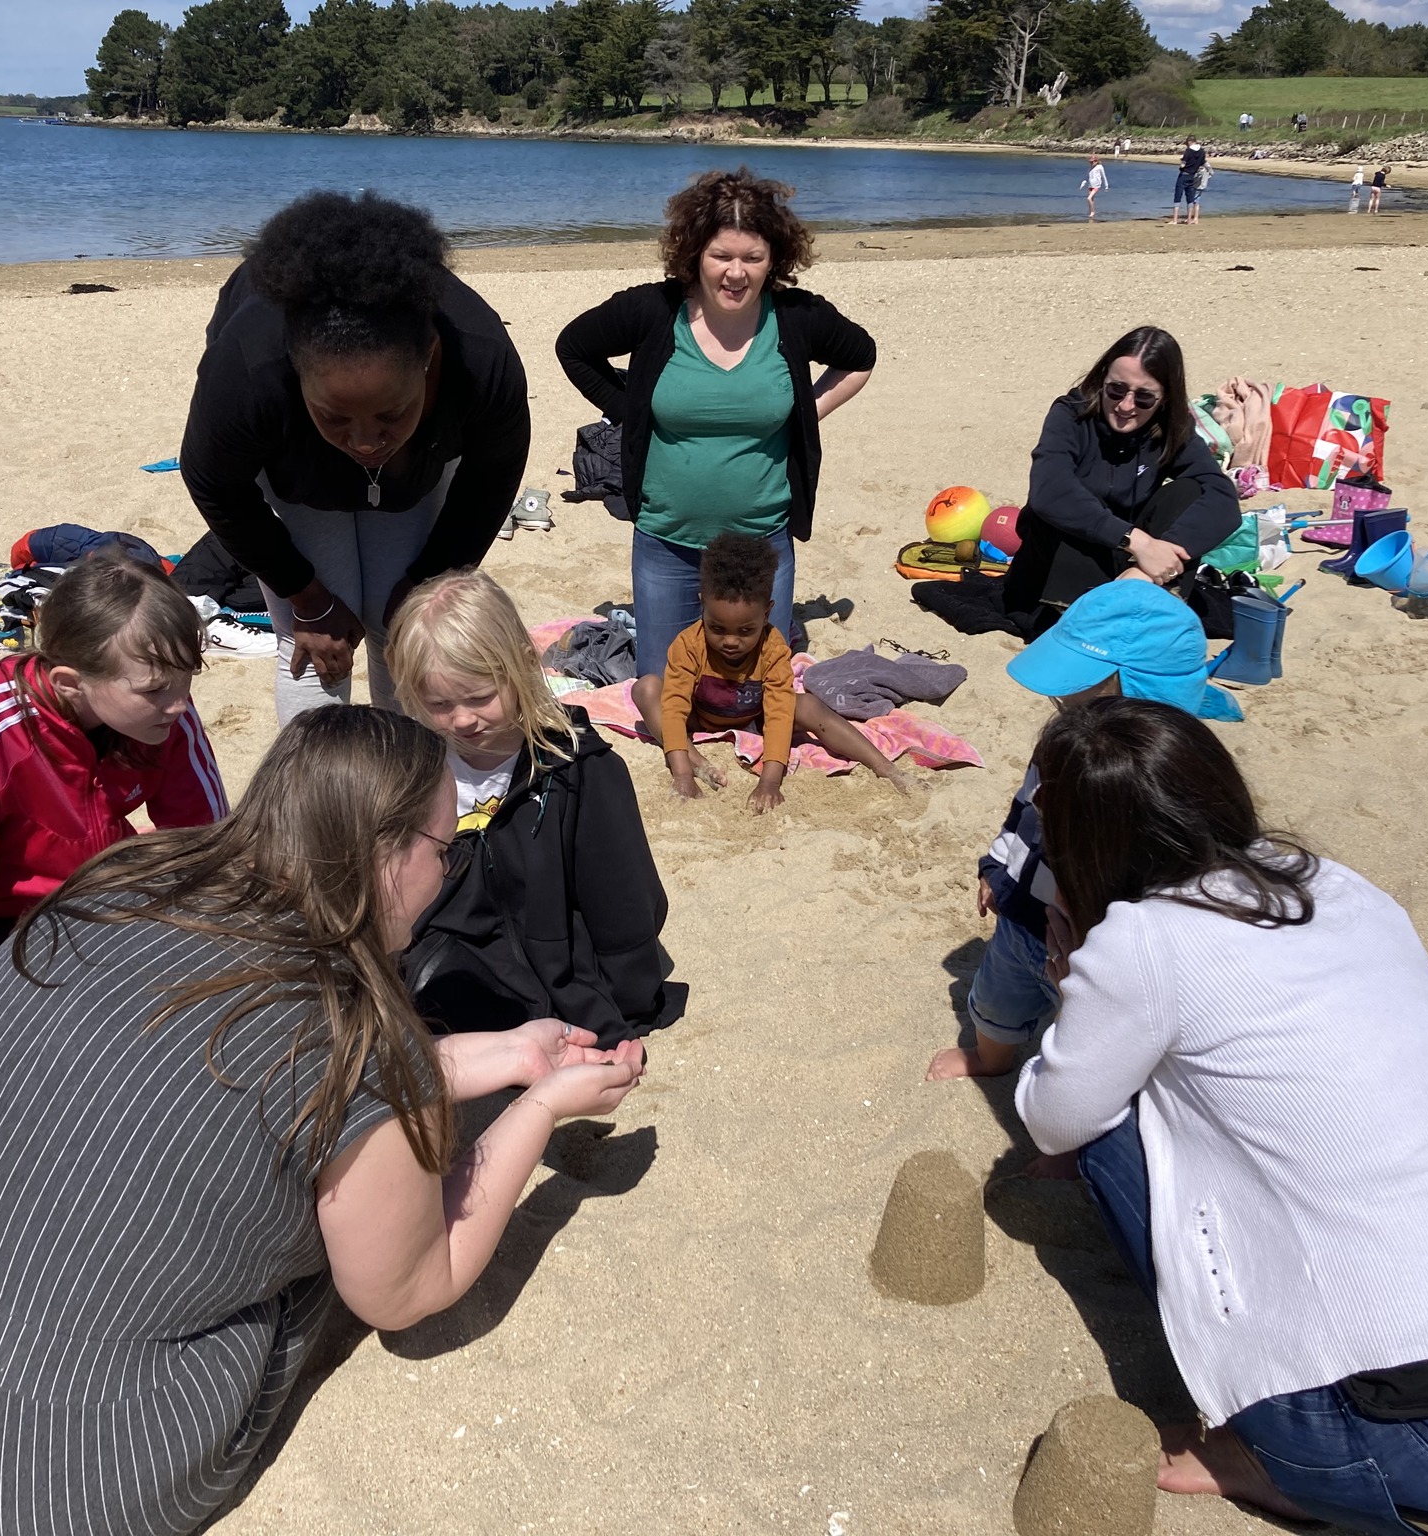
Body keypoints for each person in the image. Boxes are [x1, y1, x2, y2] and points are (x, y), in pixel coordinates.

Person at [0, 706, 645, 1536]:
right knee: (315, 1259)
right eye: (447, 848)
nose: (450, 869)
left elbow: (257, 1077)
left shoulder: (125, 880)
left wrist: (501, 1056)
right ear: (386, 856)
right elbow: (409, 1290)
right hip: (33, 1484)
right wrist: (538, 1109)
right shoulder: (355, 1031)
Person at [1012, 695, 1428, 1535]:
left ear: (1085, 842)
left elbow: (1054, 1117)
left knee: (1110, 1132)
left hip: (1427, 1444)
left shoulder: (1143, 939)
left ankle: (1264, 1457)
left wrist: (1072, 977)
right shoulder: (1331, 882)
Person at [180, 191, 530, 724]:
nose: (366, 442)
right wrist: (305, 595)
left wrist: (428, 576)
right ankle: (319, 776)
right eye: (336, 416)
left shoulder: (480, 357)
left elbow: (491, 477)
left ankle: (412, 770)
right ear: (296, 370)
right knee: (319, 640)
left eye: (391, 413)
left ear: (429, 357)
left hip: (417, 469)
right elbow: (214, 482)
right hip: (298, 465)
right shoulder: (248, 370)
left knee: (406, 628)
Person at [555, 168, 875, 730]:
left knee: (746, 703)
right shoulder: (653, 310)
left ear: (774, 258)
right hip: (665, 538)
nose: (735, 272)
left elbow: (860, 356)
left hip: (761, 538)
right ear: (695, 253)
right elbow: (573, 347)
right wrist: (631, 411)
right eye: (720, 255)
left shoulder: (795, 317)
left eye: (752, 257)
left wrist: (806, 413)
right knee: (667, 702)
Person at [925, 581, 1239, 1084]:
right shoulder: (1062, 741)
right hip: (1022, 912)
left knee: (1084, 1039)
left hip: (1091, 942)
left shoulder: (1162, 782)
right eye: (1063, 706)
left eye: (1077, 700)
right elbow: (1023, 812)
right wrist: (996, 866)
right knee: (996, 1003)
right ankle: (990, 1058)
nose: (1061, 709)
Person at [0, 551, 226, 996]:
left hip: (90, 890)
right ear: (70, 683)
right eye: (155, 688)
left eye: (188, 676)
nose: (180, 704)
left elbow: (204, 838)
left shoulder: (162, 710)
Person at [387, 569, 672, 1046]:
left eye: (480, 697)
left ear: (521, 665)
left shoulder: (579, 771)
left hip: (562, 991)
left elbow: (625, 902)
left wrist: (629, 1001)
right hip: (444, 987)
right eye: (439, 704)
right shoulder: (413, 771)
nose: (462, 720)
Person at [995, 326, 1241, 641]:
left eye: (1144, 397)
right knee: (1070, 501)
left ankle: (1145, 598)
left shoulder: (1171, 428)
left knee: (1189, 492)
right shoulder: (1070, 415)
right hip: (1055, 567)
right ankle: (1081, 618)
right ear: (1102, 380)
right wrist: (1138, 543)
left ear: (1164, 398)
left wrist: (1154, 561)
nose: (1126, 405)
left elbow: (1222, 497)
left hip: (1127, 571)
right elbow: (1049, 490)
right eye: (1116, 389)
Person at [657, 532, 906, 813]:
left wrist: (769, 782)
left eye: (746, 631)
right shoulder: (688, 644)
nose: (730, 641)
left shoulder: (773, 648)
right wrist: (682, 775)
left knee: (807, 704)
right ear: (703, 605)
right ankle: (694, 760)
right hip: (700, 717)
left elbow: (778, 714)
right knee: (647, 689)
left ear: (766, 614)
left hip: (753, 717)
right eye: (717, 628)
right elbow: (674, 708)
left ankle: (886, 768)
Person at [1171, 137, 1208, 225]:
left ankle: (1175, 219)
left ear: (1189, 142)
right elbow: (1203, 163)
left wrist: (1181, 166)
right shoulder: (1202, 152)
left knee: (1178, 196)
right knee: (1190, 198)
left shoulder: (1188, 151)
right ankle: (1189, 219)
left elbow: (1183, 165)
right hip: (1192, 176)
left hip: (1184, 174)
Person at [1082, 153, 1109, 221]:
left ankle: (1093, 212)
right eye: (1090, 162)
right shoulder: (1090, 168)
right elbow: (1086, 177)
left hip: (1096, 185)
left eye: (1092, 162)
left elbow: (1103, 176)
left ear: (1096, 161)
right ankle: (1091, 212)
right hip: (1090, 185)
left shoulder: (1100, 167)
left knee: (1089, 198)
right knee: (1091, 200)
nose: (1091, 163)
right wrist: (1083, 183)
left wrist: (1106, 186)